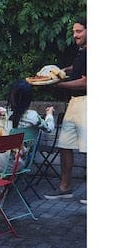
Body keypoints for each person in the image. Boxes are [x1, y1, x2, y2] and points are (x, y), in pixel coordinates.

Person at [45, 17, 87, 202]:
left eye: (79, 31)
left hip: (87, 102)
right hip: (74, 102)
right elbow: (77, 69)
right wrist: (61, 70)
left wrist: (60, 83)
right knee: (64, 145)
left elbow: (86, 81)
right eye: (74, 32)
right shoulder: (82, 51)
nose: (75, 35)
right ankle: (65, 187)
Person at [0, 80, 55, 175]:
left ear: (11, 96)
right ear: (28, 99)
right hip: (18, 165)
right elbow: (49, 128)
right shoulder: (33, 117)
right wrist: (49, 114)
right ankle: (3, 185)